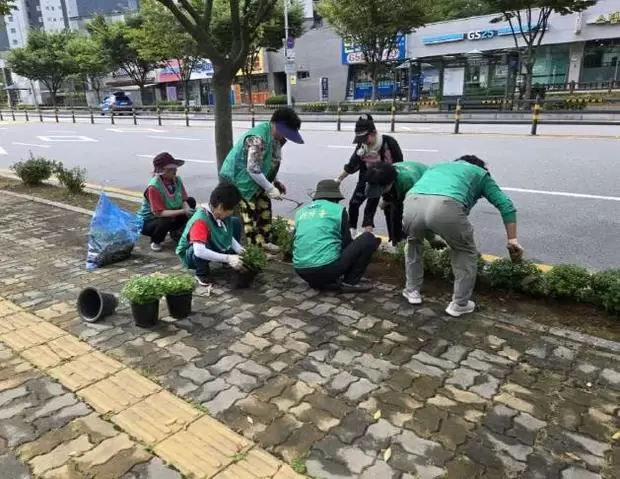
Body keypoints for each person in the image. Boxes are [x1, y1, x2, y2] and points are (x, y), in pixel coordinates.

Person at [402, 155, 524, 317]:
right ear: (480, 167)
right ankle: (460, 304)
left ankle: (412, 291)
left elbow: (426, 200)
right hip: (446, 206)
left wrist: (431, 236)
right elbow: (506, 205)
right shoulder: (480, 173)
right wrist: (512, 240)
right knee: (464, 251)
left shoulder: (438, 166)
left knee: (413, 243)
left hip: (411, 202)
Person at [219, 107, 304, 253]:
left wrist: (275, 181)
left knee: (265, 208)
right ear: (277, 125)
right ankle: (255, 251)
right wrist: (270, 188)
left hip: (254, 178)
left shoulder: (275, 138)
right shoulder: (258, 139)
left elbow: (267, 162)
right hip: (240, 179)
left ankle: (264, 241)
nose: (286, 137)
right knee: (249, 215)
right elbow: (252, 169)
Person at [293, 179, 381, 292]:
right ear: (335, 198)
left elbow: (294, 242)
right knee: (368, 238)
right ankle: (350, 282)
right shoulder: (338, 210)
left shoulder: (301, 212)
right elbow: (346, 242)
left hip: (301, 270)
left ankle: (320, 281)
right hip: (325, 269)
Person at [334, 113, 403, 236]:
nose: (363, 142)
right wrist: (338, 179)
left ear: (374, 133)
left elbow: (400, 165)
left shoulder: (389, 143)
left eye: (365, 138)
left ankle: (395, 239)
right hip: (366, 179)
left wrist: (391, 190)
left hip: (386, 182)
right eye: (360, 140)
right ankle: (352, 232)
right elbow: (352, 165)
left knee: (387, 210)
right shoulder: (362, 147)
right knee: (354, 203)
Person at [176, 183, 244, 286]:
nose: (232, 211)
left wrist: (242, 252)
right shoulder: (200, 220)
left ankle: (228, 261)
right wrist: (228, 258)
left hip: (211, 244)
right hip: (192, 253)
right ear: (221, 207)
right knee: (202, 244)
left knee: (235, 222)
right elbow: (199, 251)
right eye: (232, 208)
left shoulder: (222, 215)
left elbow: (228, 235)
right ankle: (201, 273)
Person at [365, 161, 444, 249]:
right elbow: (373, 197)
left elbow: (418, 214)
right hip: (400, 184)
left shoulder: (409, 183)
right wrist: (369, 222)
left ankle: (407, 244)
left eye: (382, 191)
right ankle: (397, 243)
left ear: (390, 183)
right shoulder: (375, 177)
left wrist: (431, 238)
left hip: (426, 183)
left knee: (409, 219)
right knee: (394, 212)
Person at [138, 152, 196, 252]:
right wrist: (183, 211)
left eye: (175, 168)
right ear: (161, 171)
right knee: (166, 219)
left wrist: (186, 207)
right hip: (151, 220)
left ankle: (175, 231)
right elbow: (158, 212)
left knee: (191, 201)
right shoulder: (154, 187)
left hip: (171, 211)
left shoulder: (177, 180)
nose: (175, 171)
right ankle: (156, 240)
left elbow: (183, 198)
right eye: (170, 169)